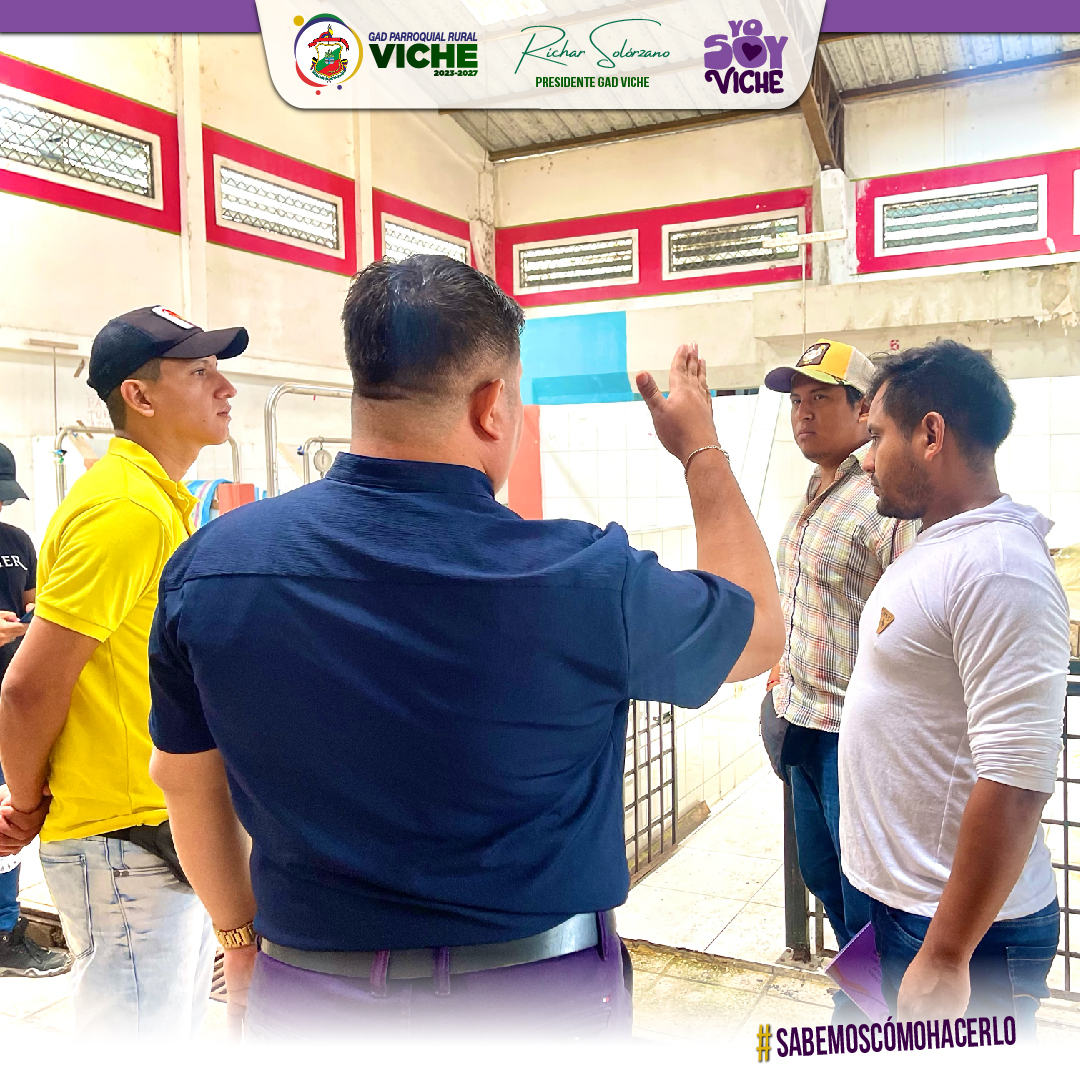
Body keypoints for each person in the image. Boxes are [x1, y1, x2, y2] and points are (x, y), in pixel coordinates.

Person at [147, 255, 785, 1039]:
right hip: (535, 1006)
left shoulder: (210, 570)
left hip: (306, 999)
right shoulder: (583, 579)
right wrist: (700, 451)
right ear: (491, 406)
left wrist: (240, 939)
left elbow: (183, 779)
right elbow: (759, 630)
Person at [0, 306, 245, 1033]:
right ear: (138, 396)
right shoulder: (126, 509)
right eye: (199, 372)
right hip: (120, 839)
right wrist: (27, 802)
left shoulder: (156, 503)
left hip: (153, 826)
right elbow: (29, 686)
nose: (226, 388)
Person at [839, 339, 1066, 1036]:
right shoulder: (945, 544)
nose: (864, 458)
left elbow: (1017, 778)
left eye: (877, 436)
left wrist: (945, 954)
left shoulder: (1000, 568)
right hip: (901, 903)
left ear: (931, 435)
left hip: (960, 932)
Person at [762, 340, 918, 951]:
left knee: (865, 889)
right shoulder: (813, 492)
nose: (803, 412)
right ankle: (858, 985)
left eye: (820, 398)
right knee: (823, 874)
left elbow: (909, 613)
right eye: (796, 400)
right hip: (802, 720)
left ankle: (879, 997)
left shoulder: (885, 499)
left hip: (855, 735)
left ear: (863, 409)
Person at [0, 443, 70, 977]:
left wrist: (36, 613)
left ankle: (5, 930)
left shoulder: (18, 541)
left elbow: (32, 600)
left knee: (8, 821)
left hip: (10, 698)